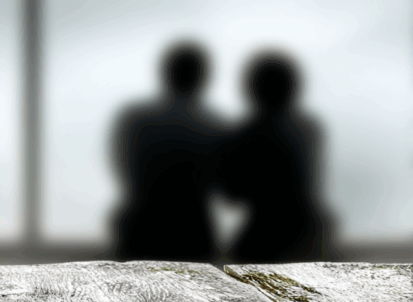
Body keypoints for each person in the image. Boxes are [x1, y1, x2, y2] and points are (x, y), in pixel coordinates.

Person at [110, 41, 230, 262]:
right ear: (203, 78)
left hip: (144, 226)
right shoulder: (214, 126)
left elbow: (125, 168)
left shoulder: (137, 121)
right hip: (193, 230)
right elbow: (226, 187)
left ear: (165, 74)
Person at [217, 50, 338, 263]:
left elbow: (231, 194)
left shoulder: (244, 135)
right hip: (308, 235)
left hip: (265, 237)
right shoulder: (308, 129)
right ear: (293, 88)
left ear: (252, 89)